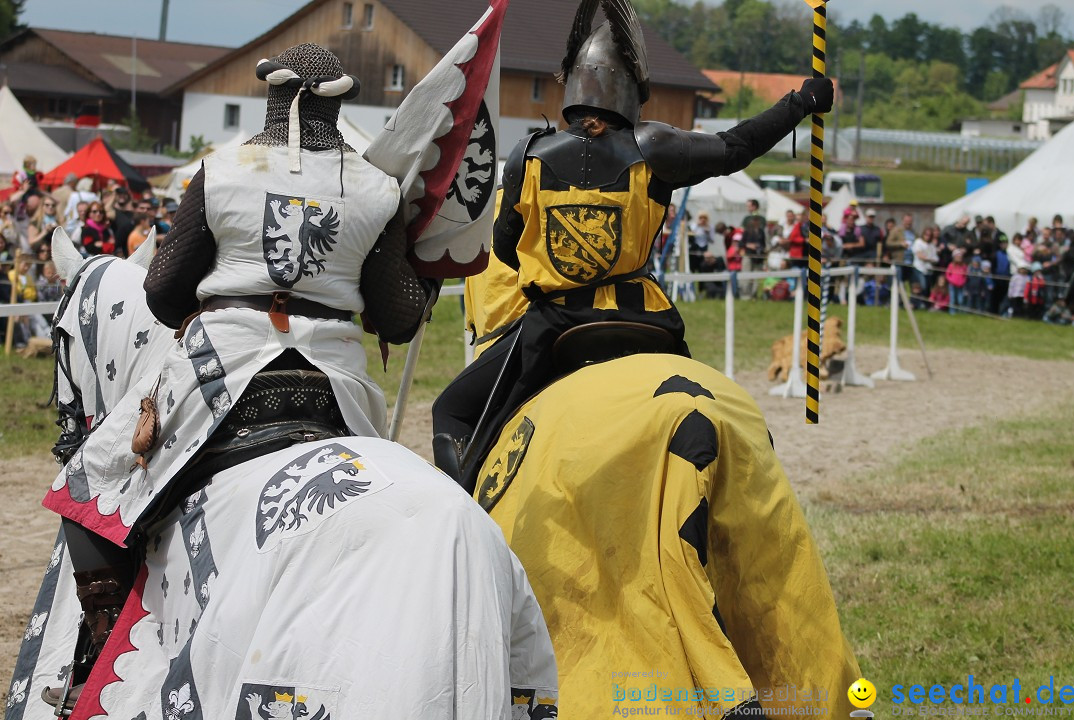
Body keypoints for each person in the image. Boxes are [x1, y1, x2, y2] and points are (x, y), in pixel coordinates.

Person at [41, 43, 431, 712]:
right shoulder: (377, 188)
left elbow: (163, 295)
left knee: (86, 481)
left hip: (224, 370)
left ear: (272, 96)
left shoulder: (221, 170)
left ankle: (106, 646)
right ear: (338, 103)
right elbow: (400, 319)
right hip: (337, 388)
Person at [430, 0, 834, 483]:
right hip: (645, 317)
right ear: (632, 92)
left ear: (573, 87)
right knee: (710, 406)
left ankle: (471, 507)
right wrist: (800, 103)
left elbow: (504, 247)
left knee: (452, 411)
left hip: (555, 323)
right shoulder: (655, 147)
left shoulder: (529, 156)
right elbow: (735, 147)